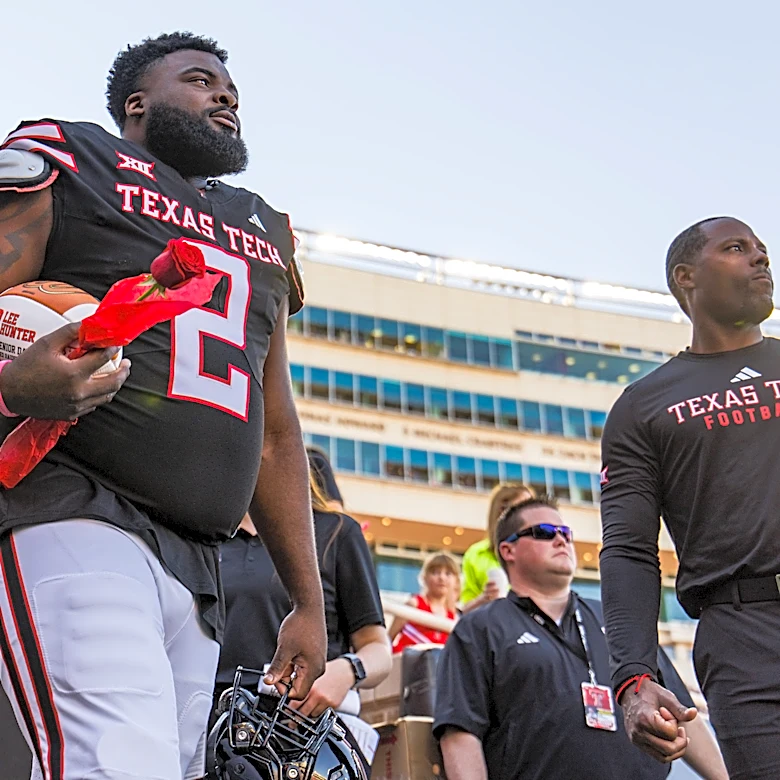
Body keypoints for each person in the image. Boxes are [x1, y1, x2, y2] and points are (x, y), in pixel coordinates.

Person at [0, 32, 326, 780]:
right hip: (75, 508)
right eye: (201, 80)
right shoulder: (75, 160)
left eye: (232, 89)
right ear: (136, 104)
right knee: (114, 763)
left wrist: (307, 603)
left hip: (197, 565)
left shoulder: (261, 230)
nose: (226, 96)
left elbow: (275, 431)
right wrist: (12, 384)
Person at [599, 216, 780, 779]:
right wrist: (632, 674)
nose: (760, 259)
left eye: (762, 250)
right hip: (742, 640)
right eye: (736, 248)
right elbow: (628, 549)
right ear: (686, 278)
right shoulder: (642, 406)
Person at [434, 496, 728, 780]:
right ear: (508, 550)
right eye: (545, 532)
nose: (561, 540)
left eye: (565, 532)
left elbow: (681, 712)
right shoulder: (479, 628)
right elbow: (460, 731)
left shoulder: (616, 620)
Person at [214, 465, 390, 766]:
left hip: (303, 742)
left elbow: (377, 649)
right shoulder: (207, 534)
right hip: (210, 737)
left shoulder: (335, 531)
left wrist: (345, 671)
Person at [460, 482, 534, 613]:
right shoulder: (476, 554)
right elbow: (463, 611)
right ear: (502, 512)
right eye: (523, 507)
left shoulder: (540, 551)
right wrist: (484, 599)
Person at [389, 552, 459, 652]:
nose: (441, 578)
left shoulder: (453, 616)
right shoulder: (414, 604)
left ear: (456, 580)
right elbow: (388, 639)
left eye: (448, 574)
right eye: (435, 572)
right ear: (425, 577)